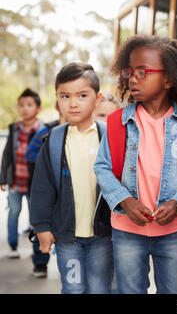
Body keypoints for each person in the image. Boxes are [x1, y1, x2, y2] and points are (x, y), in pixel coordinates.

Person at [94, 35, 177, 294]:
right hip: (127, 229)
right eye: (129, 72)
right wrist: (125, 200)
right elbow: (102, 166)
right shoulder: (116, 123)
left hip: (172, 232)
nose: (132, 78)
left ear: (168, 79)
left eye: (142, 72)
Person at [30, 62, 113, 294]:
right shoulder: (54, 140)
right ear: (58, 101)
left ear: (97, 98)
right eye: (65, 96)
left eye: (82, 95)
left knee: (99, 289)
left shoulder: (109, 136)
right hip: (67, 237)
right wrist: (41, 227)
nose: (73, 103)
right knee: (73, 288)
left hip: (103, 235)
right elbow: (41, 187)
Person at [0, 88, 45, 259]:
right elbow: (7, 155)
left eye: (29, 105)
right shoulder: (14, 128)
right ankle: (13, 245)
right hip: (15, 182)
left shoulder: (42, 130)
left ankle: (38, 252)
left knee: (36, 218)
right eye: (21, 105)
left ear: (38, 108)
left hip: (34, 184)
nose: (24, 108)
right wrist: (3, 177)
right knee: (13, 212)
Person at [24, 101, 65, 278]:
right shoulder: (47, 130)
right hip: (48, 189)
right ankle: (40, 263)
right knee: (41, 225)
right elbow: (30, 153)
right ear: (57, 106)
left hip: (69, 192)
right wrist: (48, 157)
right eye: (65, 98)